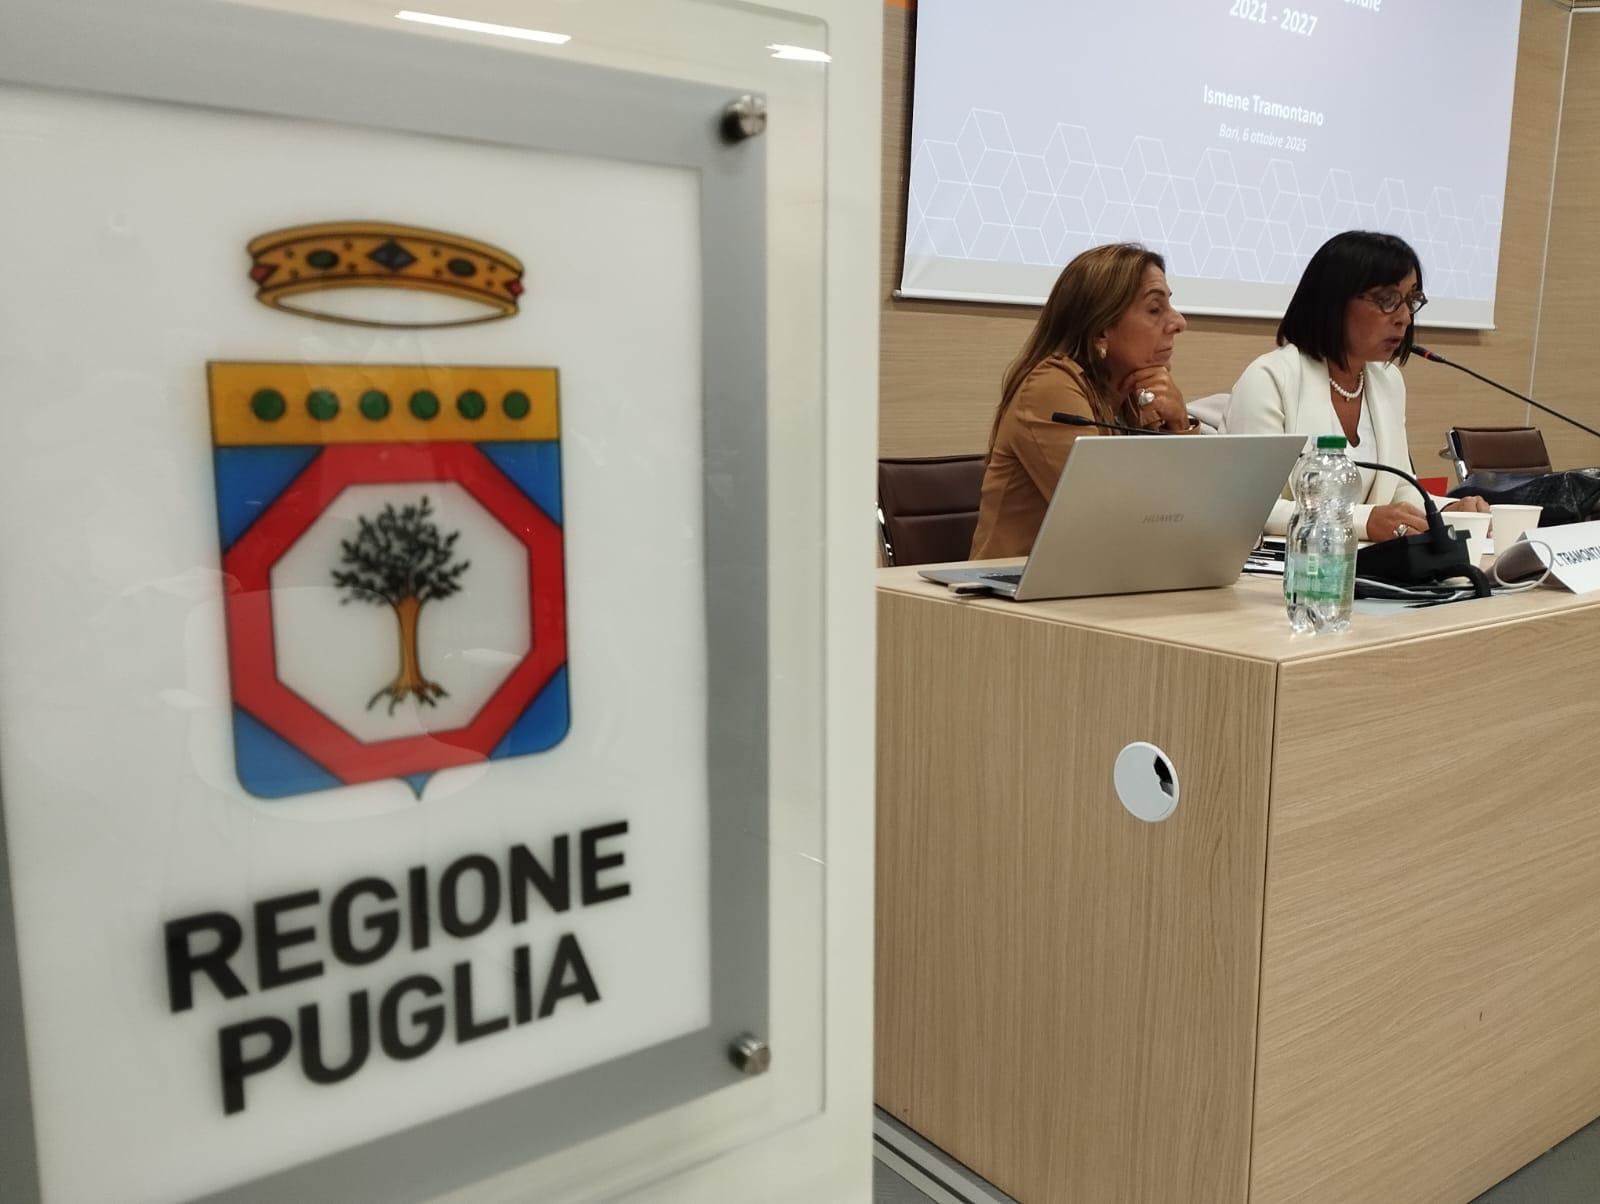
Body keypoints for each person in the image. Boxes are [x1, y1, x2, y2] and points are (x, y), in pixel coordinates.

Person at [1223, 230, 1489, 540]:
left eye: (1411, 300)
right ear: (1333, 301)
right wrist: (1362, 521)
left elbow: (1400, 488)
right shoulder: (1269, 378)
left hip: (1369, 562)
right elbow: (1252, 506)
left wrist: (1446, 511)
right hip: (1295, 564)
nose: (1405, 317)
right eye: (1388, 300)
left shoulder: (1388, 382)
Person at [970, 243, 1194, 559]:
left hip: (1105, 576)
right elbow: (1112, 518)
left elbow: (1186, 515)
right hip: (1017, 583)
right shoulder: (1049, 387)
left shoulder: (1136, 391)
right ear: (1101, 330)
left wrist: (1179, 423)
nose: (1178, 322)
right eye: (1155, 310)